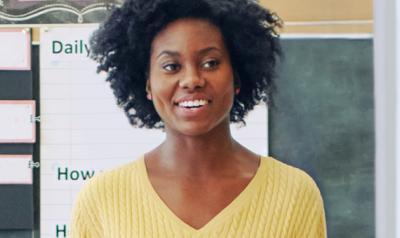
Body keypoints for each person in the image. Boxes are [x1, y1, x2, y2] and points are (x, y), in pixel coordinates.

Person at [69, 0, 327, 237]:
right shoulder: (102, 200)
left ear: (237, 76)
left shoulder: (293, 194)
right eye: (171, 66)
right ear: (146, 84)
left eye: (210, 63)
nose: (192, 80)